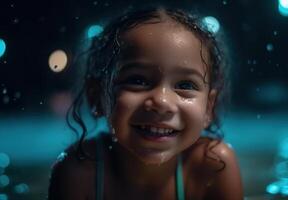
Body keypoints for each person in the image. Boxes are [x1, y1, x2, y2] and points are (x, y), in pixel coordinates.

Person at [48, 7, 243, 200]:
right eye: (137, 80)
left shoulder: (213, 165)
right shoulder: (78, 172)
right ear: (97, 96)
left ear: (209, 108)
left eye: (185, 84)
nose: (162, 101)